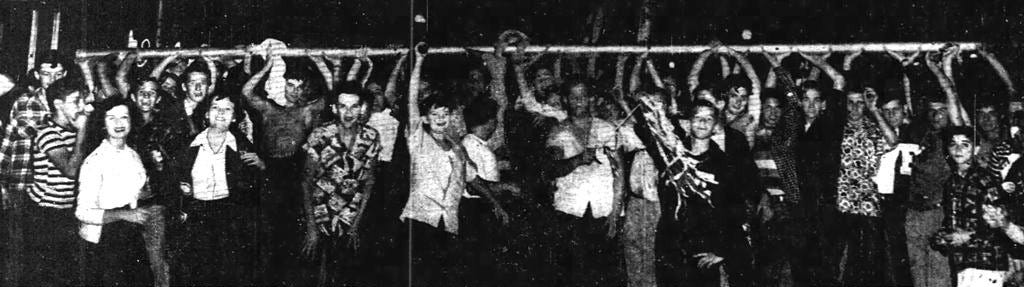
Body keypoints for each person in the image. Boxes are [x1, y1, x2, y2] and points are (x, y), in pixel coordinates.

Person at [241, 51, 327, 285]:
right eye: (291, 85)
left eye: (300, 87)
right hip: (268, 172)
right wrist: (267, 66)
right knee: (265, 236)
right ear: (284, 85)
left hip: (293, 173)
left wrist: (318, 63)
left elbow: (332, 92)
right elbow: (247, 92)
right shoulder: (270, 110)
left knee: (292, 237)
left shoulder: (306, 112)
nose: (295, 91)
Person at [543, 77, 626, 287]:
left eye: (583, 96)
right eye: (573, 97)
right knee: (572, 275)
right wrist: (578, 159)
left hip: (603, 211)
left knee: (605, 275)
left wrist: (615, 214)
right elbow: (552, 170)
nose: (579, 101)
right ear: (565, 100)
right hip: (570, 213)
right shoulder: (557, 132)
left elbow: (620, 173)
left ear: (591, 99)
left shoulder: (607, 129)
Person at [173, 94, 263, 286]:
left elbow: (257, 190)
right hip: (196, 216)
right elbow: (170, 182)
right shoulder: (187, 145)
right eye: (215, 107)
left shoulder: (243, 147)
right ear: (206, 114)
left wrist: (262, 167)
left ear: (234, 117)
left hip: (229, 219)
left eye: (227, 109)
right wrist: (180, 187)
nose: (221, 113)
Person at [399, 44, 469, 287]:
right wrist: (419, 61)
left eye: (445, 113)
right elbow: (411, 101)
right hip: (420, 220)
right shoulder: (418, 139)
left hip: (448, 222)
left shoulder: (457, 148)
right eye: (435, 114)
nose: (440, 118)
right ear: (426, 118)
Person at [300, 84, 381, 286]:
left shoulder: (371, 136)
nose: (348, 113)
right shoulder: (321, 135)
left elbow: (369, 181)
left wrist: (356, 224)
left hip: (352, 213)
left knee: (349, 274)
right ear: (334, 108)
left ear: (362, 108)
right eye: (343, 106)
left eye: (354, 107)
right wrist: (311, 227)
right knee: (319, 273)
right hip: (321, 212)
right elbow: (306, 181)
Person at [18, 79, 89, 287]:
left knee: (62, 273)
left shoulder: (74, 132)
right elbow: (70, 170)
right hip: (43, 213)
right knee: (40, 275)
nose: (82, 107)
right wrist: (83, 130)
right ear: (58, 104)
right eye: (76, 101)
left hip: (64, 211)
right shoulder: (47, 132)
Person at [76, 98, 154, 286]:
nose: (119, 124)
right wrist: (126, 214)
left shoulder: (133, 154)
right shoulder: (94, 161)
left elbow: (137, 191)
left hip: (130, 234)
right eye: (111, 118)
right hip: (104, 239)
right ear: (102, 123)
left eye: (124, 117)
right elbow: (82, 212)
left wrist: (142, 193)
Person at [932, 126, 1014, 285]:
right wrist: (943, 236)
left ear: (975, 149)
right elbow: (952, 219)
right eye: (953, 144)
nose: (958, 149)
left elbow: (1000, 222)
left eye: (965, 144)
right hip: (962, 262)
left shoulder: (984, 180)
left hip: (987, 263)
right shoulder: (951, 183)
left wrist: (967, 236)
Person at [460, 96, 516, 286]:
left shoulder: (477, 145)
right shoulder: (470, 145)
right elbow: (472, 183)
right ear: (491, 121)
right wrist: (507, 187)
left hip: (485, 209)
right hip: (477, 211)